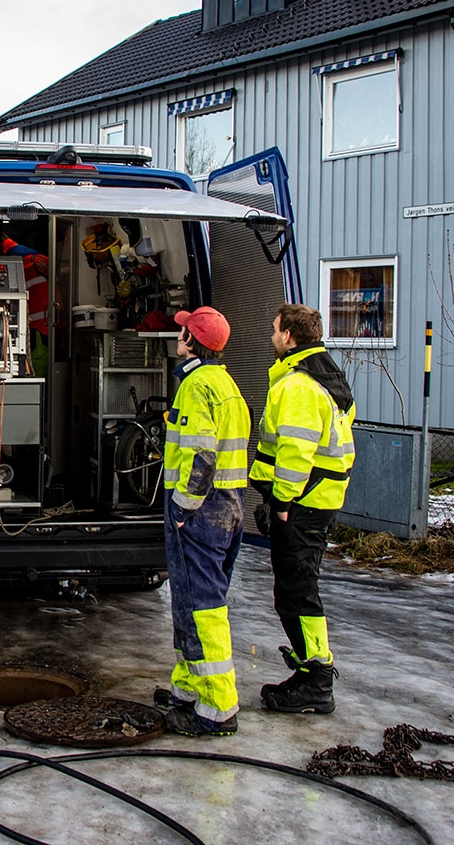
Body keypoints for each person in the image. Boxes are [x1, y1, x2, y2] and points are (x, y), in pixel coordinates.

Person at [248, 303, 356, 714]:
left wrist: (281, 504)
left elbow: (295, 453)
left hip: (302, 505)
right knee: (297, 589)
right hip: (319, 501)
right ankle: (312, 671)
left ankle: (317, 679)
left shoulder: (297, 386)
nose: (272, 336)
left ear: (289, 336)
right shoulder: (327, 376)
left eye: (275, 330)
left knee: (298, 593)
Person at [157, 306, 250, 736]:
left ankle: (218, 706)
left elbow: (201, 457)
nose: (178, 335)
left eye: (183, 331)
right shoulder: (227, 384)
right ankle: (189, 686)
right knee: (190, 602)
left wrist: (182, 508)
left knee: (203, 606)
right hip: (229, 506)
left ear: (193, 342)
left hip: (202, 510)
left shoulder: (196, 387)